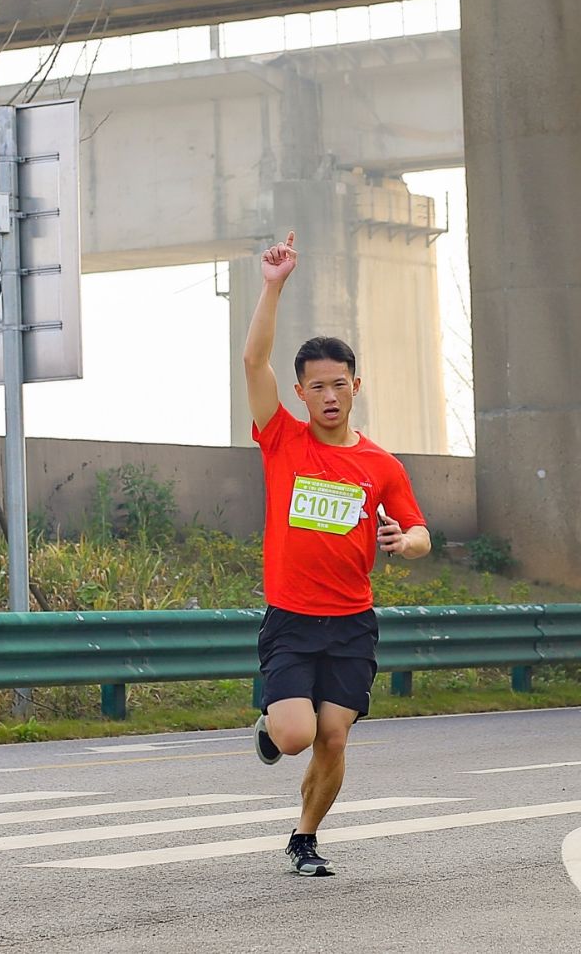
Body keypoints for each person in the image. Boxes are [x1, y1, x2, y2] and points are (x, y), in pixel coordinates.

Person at [242, 229, 432, 877]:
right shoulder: (282, 441)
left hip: (351, 625)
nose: (328, 394)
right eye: (316, 385)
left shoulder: (381, 464)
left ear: (357, 386)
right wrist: (273, 285)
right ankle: (269, 724)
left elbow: (419, 530)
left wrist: (406, 541)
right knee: (296, 735)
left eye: (339, 383)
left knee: (334, 737)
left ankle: (304, 836)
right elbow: (252, 363)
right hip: (293, 619)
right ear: (300, 392)